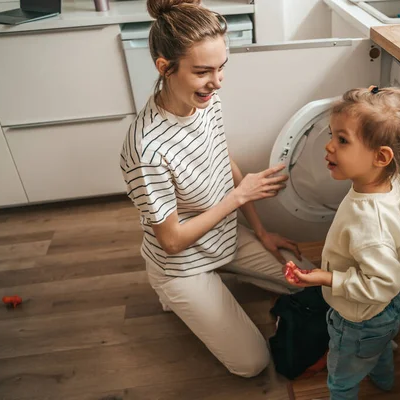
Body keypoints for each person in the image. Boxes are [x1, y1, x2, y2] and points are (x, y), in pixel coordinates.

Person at [119, 0, 315, 378]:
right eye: (203, 71)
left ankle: (228, 271)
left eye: (222, 67)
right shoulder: (146, 148)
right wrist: (239, 197)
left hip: (224, 237)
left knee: (309, 280)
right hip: (180, 262)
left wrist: (260, 231)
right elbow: (172, 242)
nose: (217, 81)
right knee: (252, 364)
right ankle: (176, 292)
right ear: (165, 67)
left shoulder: (207, 102)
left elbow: (224, 160)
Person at [285, 87, 400, 399]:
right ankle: (384, 380)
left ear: (380, 156)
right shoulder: (390, 183)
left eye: (342, 140)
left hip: (358, 320)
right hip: (384, 311)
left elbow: (383, 283)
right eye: (333, 135)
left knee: (341, 381)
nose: (329, 146)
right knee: (378, 349)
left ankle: (376, 371)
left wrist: (326, 278)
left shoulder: (369, 221)